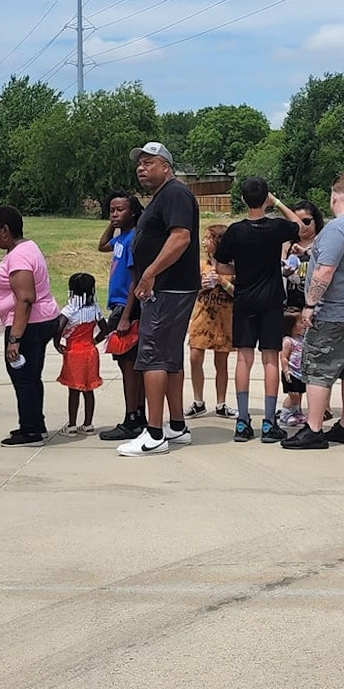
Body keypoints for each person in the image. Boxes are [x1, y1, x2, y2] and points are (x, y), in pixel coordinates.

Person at [281, 175, 344, 450]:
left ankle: (313, 428)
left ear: (334, 197)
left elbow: (325, 271)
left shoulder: (338, 228)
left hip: (334, 311)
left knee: (317, 369)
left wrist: (310, 305)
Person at [117, 142, 199, 457]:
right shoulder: (164, 195)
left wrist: (149, 273)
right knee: (169, 357)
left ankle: (153, 434)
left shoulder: (176, 193)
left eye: (148, 162)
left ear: (166, 166)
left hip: (167, 288)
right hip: (170, 287)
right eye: (139, 163)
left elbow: (181, 238)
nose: (141, 167)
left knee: (152, 355)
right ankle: (176, 426)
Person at [214, 177, 302, 442]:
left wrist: (239, 270)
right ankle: (267, 421)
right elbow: (298, 225)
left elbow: (220, 267)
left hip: (244, 299)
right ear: (265, 199)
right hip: (271, 300)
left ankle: (242, 421)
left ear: (243, 199)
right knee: (270, 359)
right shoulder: (275, 228)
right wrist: (276, 202)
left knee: (243, 358)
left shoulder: (235, 231)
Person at [0, 205, 60, 447]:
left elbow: (26, 298)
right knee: (30, 376)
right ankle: (34, 424)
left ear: (5, 231)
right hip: (40, 319)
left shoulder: (19, 256)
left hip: (29, 324)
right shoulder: (27, 247)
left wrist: (14, 338)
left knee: (23, 376)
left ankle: (30, 431)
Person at [97, 193, 148, 442]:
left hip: (126, 308)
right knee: (127, 364)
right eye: (111, 210)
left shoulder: (132, 240)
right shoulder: (120, 238)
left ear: (134, 213)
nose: (114, 214)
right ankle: (138, 415)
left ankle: (132, 417)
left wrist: (127, 316)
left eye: (120, 210)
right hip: (117, 307)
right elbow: (101, 245)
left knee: (129, 365)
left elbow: (135, 280)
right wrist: (114, 223)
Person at [280, 199, 323, 421]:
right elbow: (281, 272)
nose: (302, 226)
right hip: (291, 309)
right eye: (296, 222)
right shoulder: (287, 245)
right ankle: (293, 403)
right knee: (291, 355)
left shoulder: (323, 242)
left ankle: (320, 406)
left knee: (318, 358)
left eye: (306, 221)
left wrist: (306, 252)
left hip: (316, 308)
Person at [186, 224, 234, 418]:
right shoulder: (200, 265)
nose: (204, 242)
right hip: (201, 318)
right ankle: (198, 401)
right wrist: (201, 286)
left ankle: (221, 403)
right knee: (195, 358)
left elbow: (238, 293)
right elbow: (190, 292)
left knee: (221, 363)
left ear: (218, 241)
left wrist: (223, 281)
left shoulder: (232, 266)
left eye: (208, 238)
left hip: (223, 319)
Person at [54, 272, 105, 436]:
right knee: (89, 389)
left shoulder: (69, 310)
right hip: (90, 351)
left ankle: (72, 425)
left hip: (74, 353)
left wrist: (57, 344)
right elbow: (106, 329)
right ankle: (88, 424)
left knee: (74, 390)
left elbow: (58, 328)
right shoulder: (95, 309)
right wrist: (95, 341)